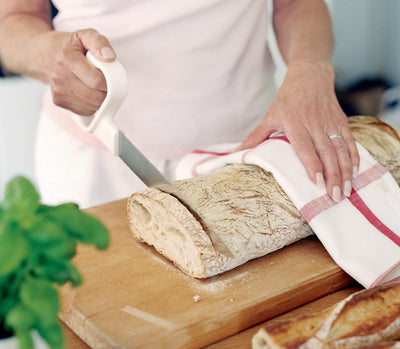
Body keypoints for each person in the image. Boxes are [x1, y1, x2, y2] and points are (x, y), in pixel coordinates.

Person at [0, 0, 359, 208]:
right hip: (96, 162)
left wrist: (310, 68)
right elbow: (14, 18)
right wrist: (47, 56)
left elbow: (296, 3)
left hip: (244, 150)